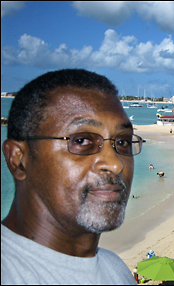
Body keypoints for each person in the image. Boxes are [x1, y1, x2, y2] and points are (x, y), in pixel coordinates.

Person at [1, 69, 141, 284]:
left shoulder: (116, 270)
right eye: (82, 141)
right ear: (19, 159)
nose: (114, 164)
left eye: (122, 142)